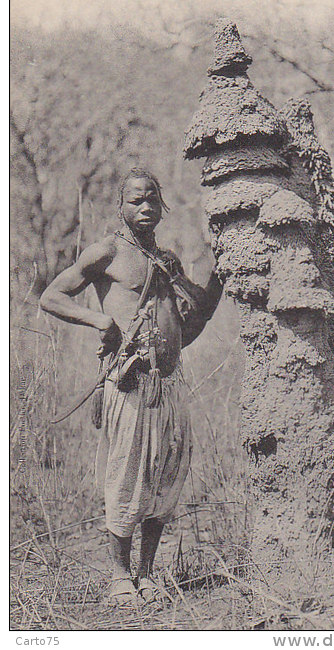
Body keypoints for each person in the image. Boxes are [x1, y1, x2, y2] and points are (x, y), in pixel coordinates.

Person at [40, 168, 223, 604]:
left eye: (152, 200)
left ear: (162, 207)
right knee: (127, 476)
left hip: (170, 384)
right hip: (129, 382)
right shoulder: (106, 252)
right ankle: (120, 576)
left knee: (165, 477)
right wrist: (98, 320)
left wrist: (219, 275)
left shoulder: (169, 261)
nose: (145, 207)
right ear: (120, 207)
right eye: (135, 200)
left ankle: (147, 573)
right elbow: (51, 296)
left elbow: (191, 322)